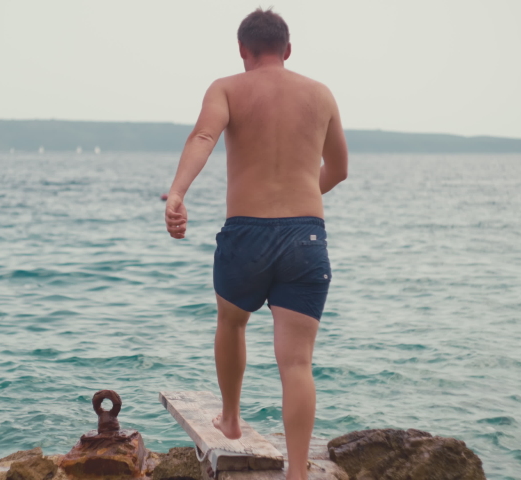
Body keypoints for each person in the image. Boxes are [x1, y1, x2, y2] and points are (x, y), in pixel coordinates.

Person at [164, 8, 348, 480]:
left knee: (232, 322)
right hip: (306, 235)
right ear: (287, 50)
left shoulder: (228, 87)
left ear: (243, 52)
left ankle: (229, 417)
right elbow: (340, 169)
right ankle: (298, 472)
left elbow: (204, 134)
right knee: (297, 361)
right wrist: (302, 197)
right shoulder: (321, 93)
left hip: (246, 232)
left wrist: (179, 193)